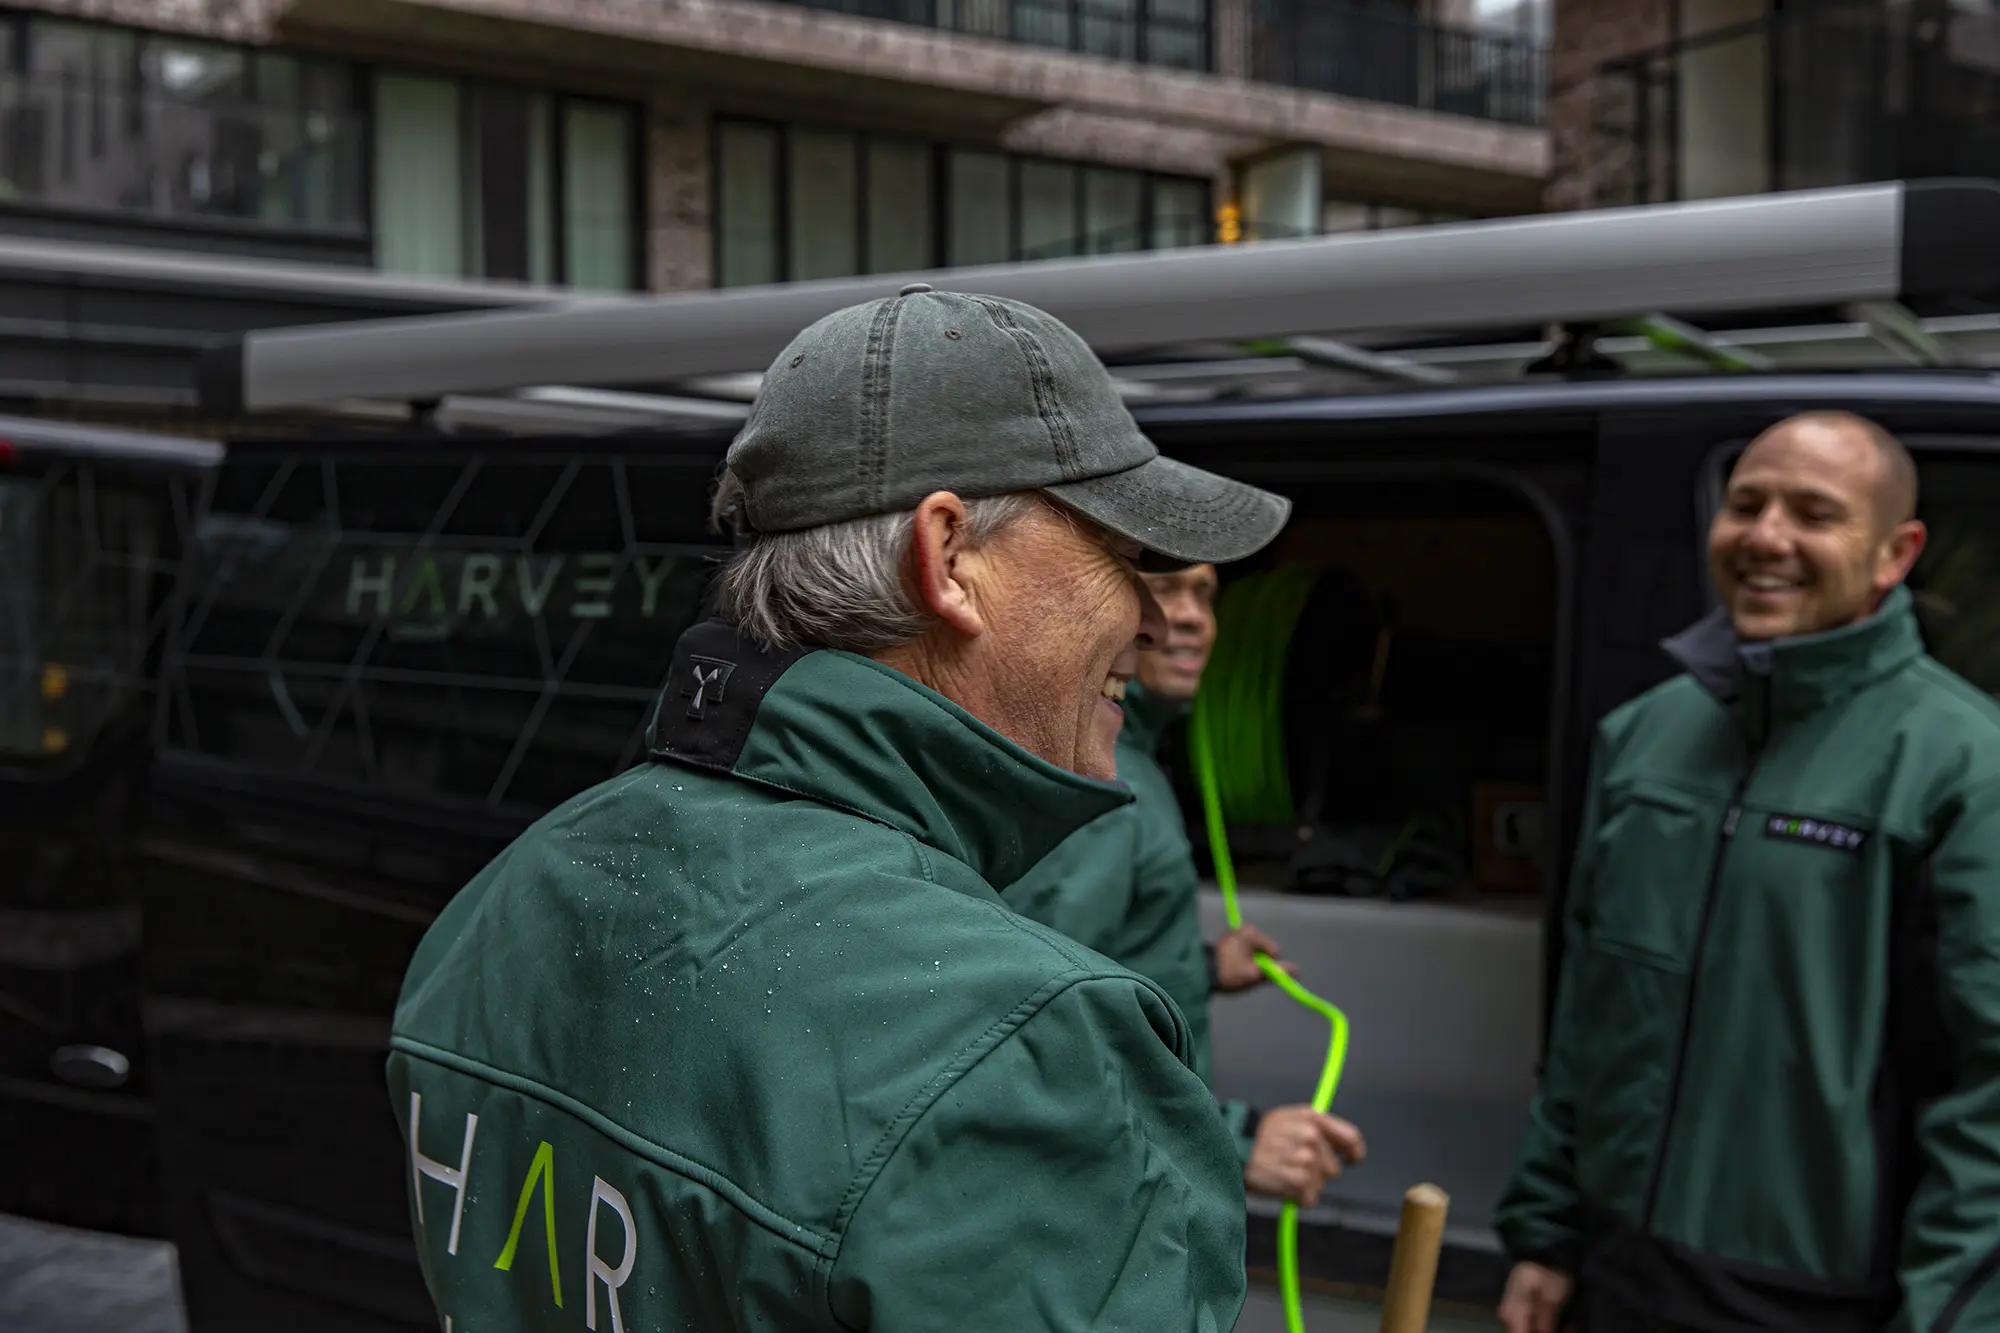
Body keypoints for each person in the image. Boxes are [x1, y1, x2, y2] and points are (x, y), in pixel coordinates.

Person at [387, 284, 1294, 1332]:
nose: (1147, 615)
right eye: (1121, 556)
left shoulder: (503, 901)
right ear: (948, 557)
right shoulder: (1017, 1050)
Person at [1494, 410, 2000, 1333]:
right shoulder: (1644, 736)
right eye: (1747, 504)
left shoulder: (1964, 768)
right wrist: (1546, 1233)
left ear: (1896, 552)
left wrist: (1951, 1316)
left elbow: (1990, 1093)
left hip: (1822, 1298)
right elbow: (1592, 1014)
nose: (1767, 537)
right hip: (1618, 1269)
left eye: (1814, 513)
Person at [1007, 559, 1368, 1209]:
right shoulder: (1103, 778)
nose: (1192, 615)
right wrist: (1236, 1141)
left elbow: (1097, 959)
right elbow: (1042, 1027)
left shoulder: (1132, 764)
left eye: (1204, 593)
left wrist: (1200, 965)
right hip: (1107, 1188)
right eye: (1164, 586)